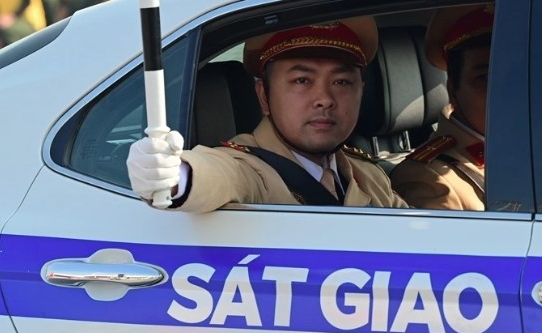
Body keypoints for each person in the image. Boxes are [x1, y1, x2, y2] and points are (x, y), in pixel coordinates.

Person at [126, 17, 409, 211]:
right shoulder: (252, 167)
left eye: (342, 82)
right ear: (264, 96)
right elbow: (222, 174)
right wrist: (176, 176)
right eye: (302, 81)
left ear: (361, 92)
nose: (325, 99)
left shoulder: (369, 176)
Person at [389, 5, 492, 211]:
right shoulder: (428, 180)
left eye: (516, 75)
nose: (506, 90)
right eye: (486, 78)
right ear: (453, 90)